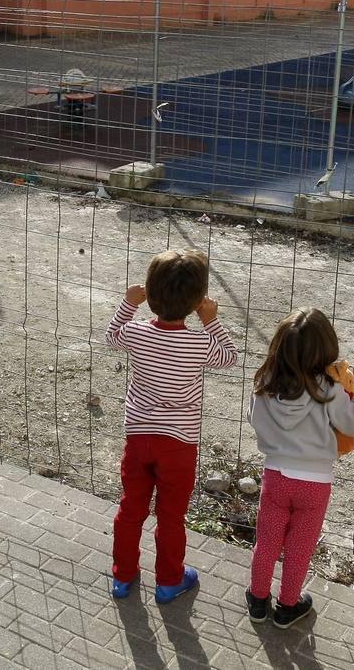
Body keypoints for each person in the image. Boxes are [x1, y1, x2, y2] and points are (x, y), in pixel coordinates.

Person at [105, 249, 238, 604]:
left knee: (131, 508)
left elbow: (112, 335)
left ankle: (123, 576)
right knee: (171, 516)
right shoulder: (200, 342)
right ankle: (168, 581)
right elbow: (231, 357)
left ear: (149, 293)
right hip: (179, 443)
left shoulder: (135, 333)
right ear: (197, 301)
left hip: (139, 438)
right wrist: (210, 320)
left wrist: (128, 303)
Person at [246, 308, 354, 628]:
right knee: (299, 547)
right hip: (316, 483)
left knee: (267, 541)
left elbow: (254, 419)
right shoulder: (328, 390)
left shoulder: (265, 382)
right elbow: (353, 422)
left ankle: (258, 600)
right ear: (326, 349)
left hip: (276, 476)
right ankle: (288, 605)